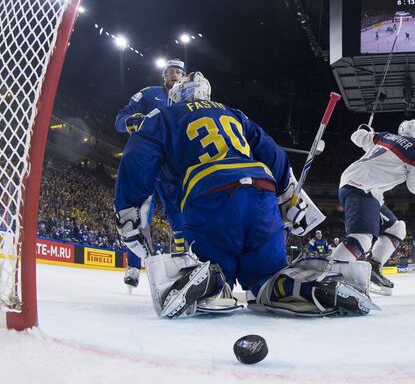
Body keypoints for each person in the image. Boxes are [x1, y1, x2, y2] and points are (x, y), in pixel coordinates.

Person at [114, 74, 378, 318]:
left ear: (176, 97)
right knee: (267, 276)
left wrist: (128, 213)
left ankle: (213, 282)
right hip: (260, 192)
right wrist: (287, 196)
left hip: (210, 197)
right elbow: (272, 151)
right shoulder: (234, 113)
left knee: (216, 266)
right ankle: (311, 286)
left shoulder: (162, 115)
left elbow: (137, 159)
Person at [331, 120, 415, 295]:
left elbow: (357, 137)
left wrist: (364, 129)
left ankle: (373, 268)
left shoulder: (384, 136)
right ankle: (331, 276)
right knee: (362, 239)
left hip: (362, 187)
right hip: (362, 186)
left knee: (397, 229)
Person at [114, 59, 187, 289]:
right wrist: (131, 121)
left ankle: (182, 263)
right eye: (170, 71)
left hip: (173, 165)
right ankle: (134, 267)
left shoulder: (190, 101)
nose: (174, 74)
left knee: (178, 214)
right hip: (146, 163)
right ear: (163, 76)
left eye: (179, 71)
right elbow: (120, 119)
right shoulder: (147, 95)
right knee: (138, 215)